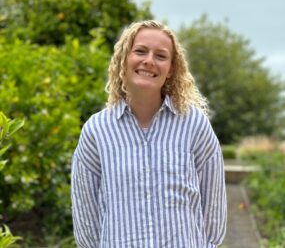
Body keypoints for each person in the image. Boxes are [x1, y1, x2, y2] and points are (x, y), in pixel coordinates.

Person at [71, 20, 227, 248]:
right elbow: (86, 218)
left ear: (171, 69)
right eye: (140, 51)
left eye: (161, 56)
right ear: (124, 58)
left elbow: (214, 211)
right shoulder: (96, 131)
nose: (149, 61)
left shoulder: (194, 125)